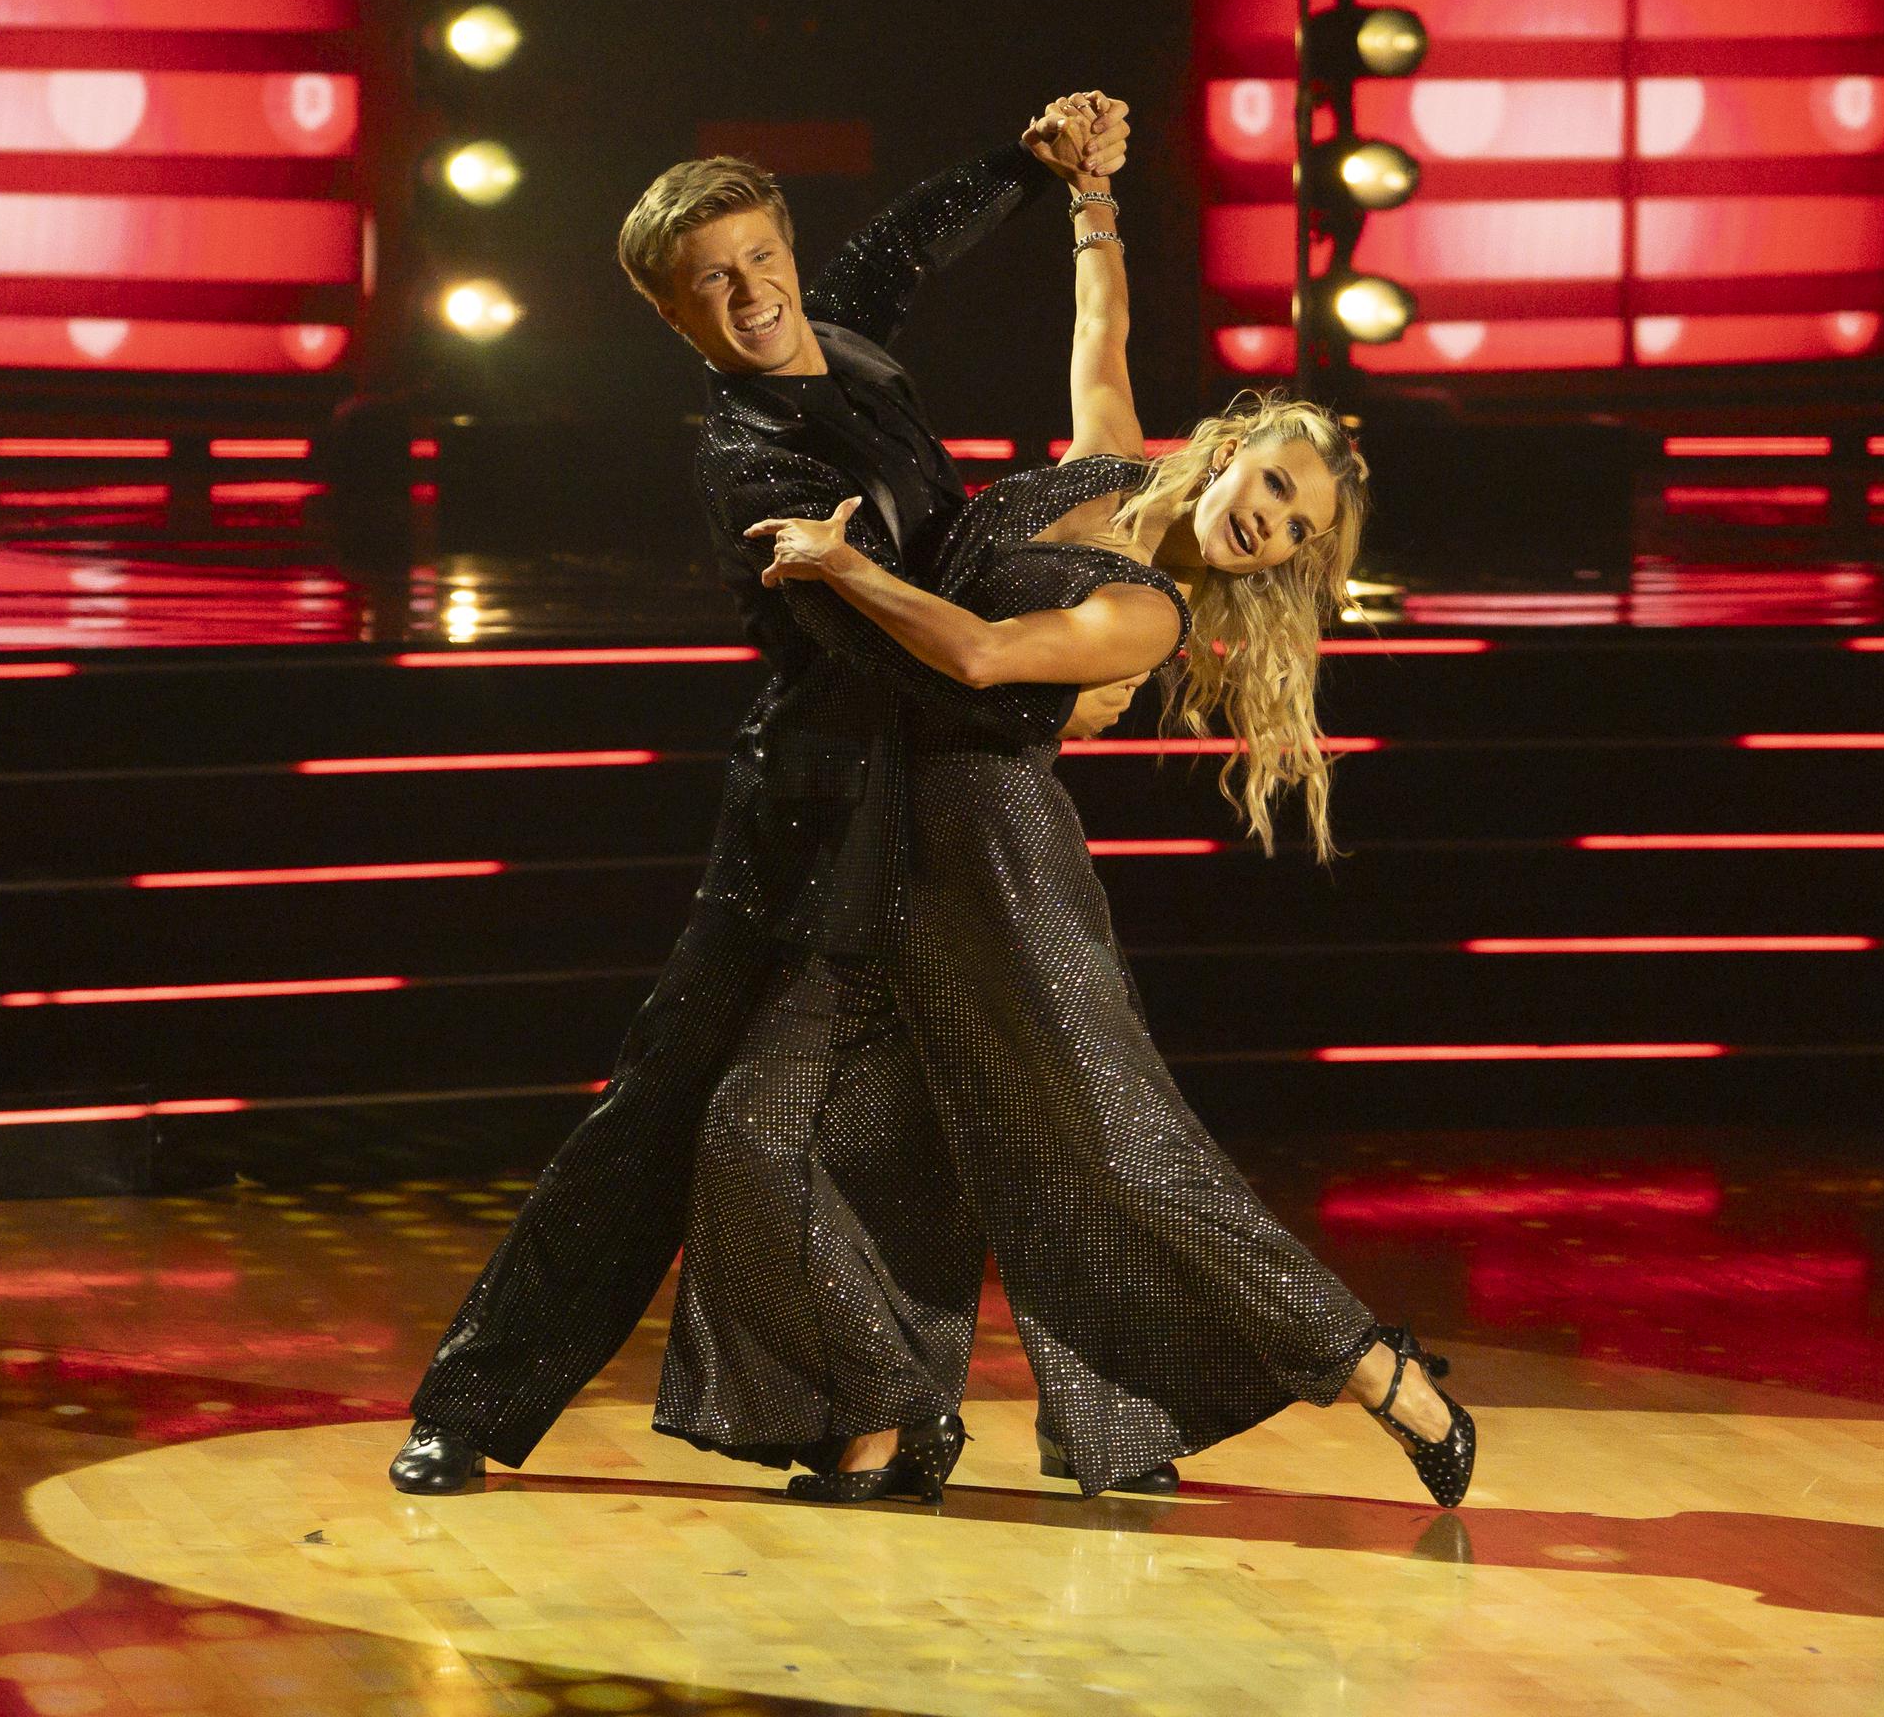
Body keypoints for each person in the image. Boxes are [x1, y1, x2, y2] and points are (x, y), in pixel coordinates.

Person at [386, 95, 1135, 1496]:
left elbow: (907, 243)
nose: (750, 297)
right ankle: (474, 1407)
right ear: (677, 316)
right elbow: (863, 648)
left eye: (759, 259)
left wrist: (1026, 166)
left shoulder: (839, 335)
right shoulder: (750, 458)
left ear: (788, 251)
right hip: (808, 827)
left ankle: (932, 1411)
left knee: (929, 1125)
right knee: (662, 1115)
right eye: (711, 284)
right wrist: (1062, 691)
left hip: (937, 794)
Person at [736, 129, 1477, 1508]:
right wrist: (1091, 194)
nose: (1275, 528)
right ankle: (899, 1424)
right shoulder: (1097, 467)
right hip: (891, 836)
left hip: (999, 862)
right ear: (1235, 447)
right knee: (774, 1124)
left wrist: (842, 568)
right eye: (1277, 491)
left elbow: (974, 658)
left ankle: (1376, 1369)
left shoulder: (1146, 612)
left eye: (1301, 533)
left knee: (1126, 1150)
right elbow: (1103, 326)